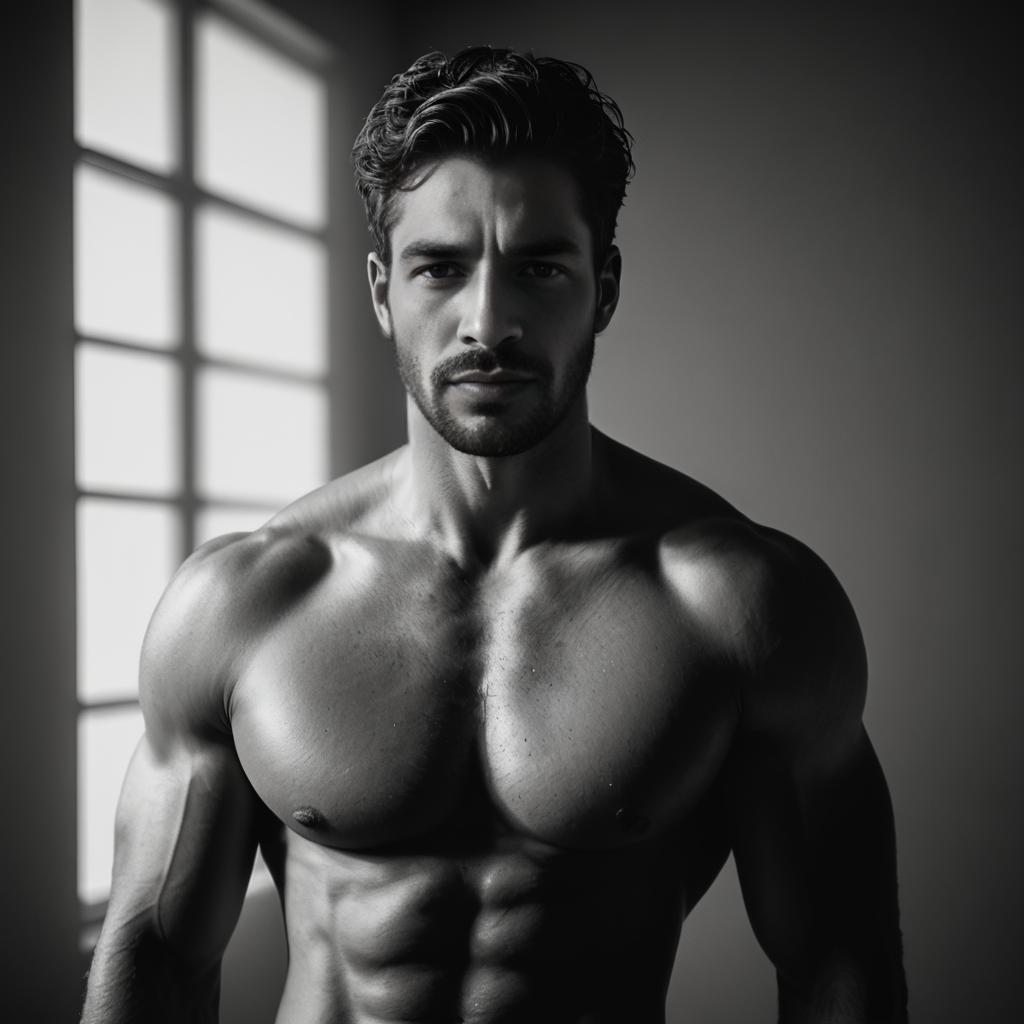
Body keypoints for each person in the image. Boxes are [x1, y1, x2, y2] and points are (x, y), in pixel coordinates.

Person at [81, 46, 907, 1024]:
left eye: (538, 268)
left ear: (601, 288)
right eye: (440, 268)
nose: (488, 319)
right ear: (384, 289)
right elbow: (158, 958)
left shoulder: (743, 607)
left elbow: (836, 966)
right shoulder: (248, 602)